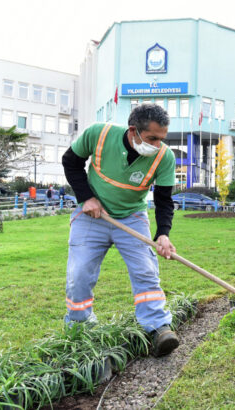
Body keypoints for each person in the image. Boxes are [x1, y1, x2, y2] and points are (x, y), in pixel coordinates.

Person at [61, 103, 179, 356]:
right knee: (79, 273)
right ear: (133, 130)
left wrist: (163, 234)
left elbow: (164, 200)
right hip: (91, 215)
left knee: (146, 271)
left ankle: (158, 328)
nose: (157, 145)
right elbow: (70, 162)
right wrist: (86, 198)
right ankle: (80, 330)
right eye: (152, 138)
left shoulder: (164, 157)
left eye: (162, 139)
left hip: (132, 217)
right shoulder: (98, 133)